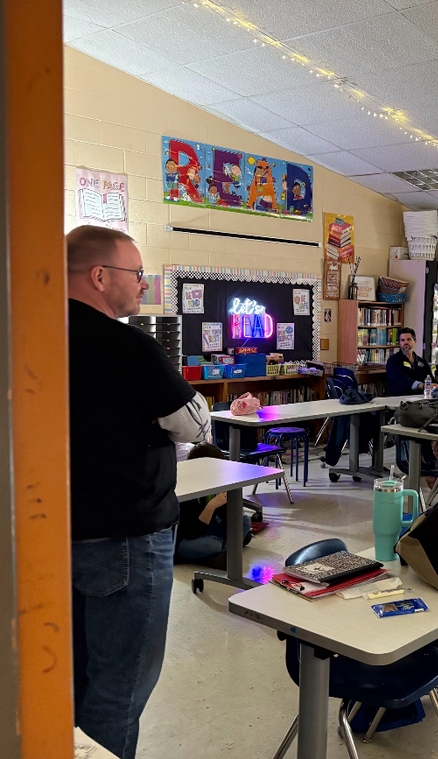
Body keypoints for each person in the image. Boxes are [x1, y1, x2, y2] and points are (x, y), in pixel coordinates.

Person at [68, 225, 211, 759]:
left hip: (57, 530)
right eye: (137, 273)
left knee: (75, 673)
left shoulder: (31, 331)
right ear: (100, 276)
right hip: (127, 535)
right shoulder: (129, 345)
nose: (144, 285)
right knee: (122, 684)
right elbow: (195, 425)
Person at [175, 443, 253, 566]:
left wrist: (229, 501)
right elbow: (191, 532)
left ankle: (224, 554)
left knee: (243, 520)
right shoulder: (186, 490)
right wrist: (211, 506)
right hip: (187, 538)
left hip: (210, 529)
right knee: (211, 545)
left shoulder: (215, 482)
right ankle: (227, 550)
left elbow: (227, 518)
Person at [386, 327, 432, 396]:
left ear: (415, 341)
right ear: (399, 343)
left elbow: (430, 378)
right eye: (402, 340)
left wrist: (437, 386)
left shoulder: (422, 362)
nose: (406, 342)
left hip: (421, 398)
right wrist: (421, 385)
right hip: (399, 399)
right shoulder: (393, 360)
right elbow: (402, 380)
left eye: (408, 339)